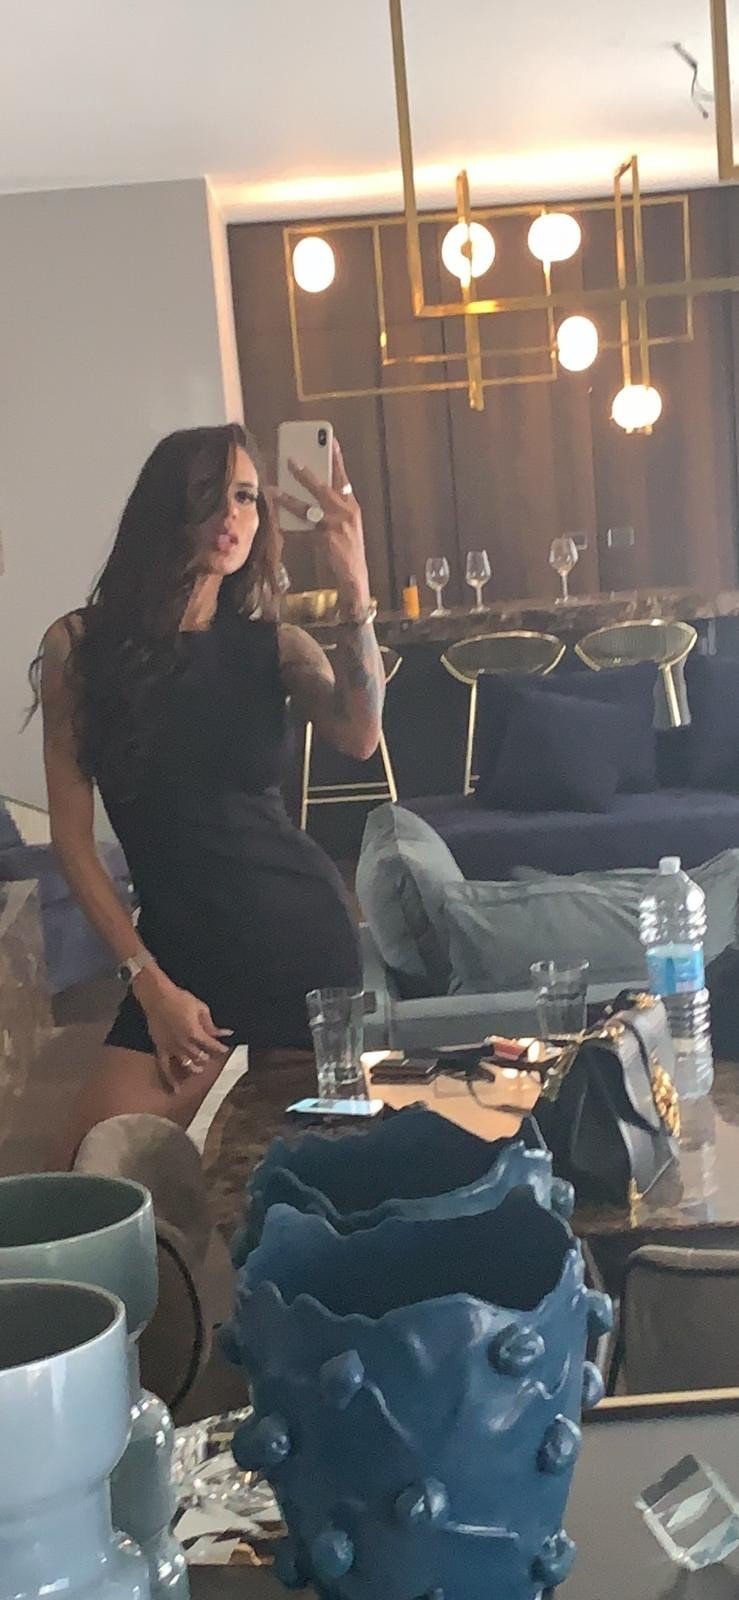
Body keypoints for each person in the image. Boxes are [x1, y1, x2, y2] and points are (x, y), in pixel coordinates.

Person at [36, 422, 384, 1166]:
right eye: (212, 494)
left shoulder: (276, 647)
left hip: (299, 947)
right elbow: (73, 842)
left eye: (248, 497)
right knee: (87, 1178)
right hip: (178, 955)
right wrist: (147, 981)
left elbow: (361, 734)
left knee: (298, 1175)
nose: (233, 516)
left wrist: (354, 583)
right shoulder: (79, 648)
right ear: (167, 506)